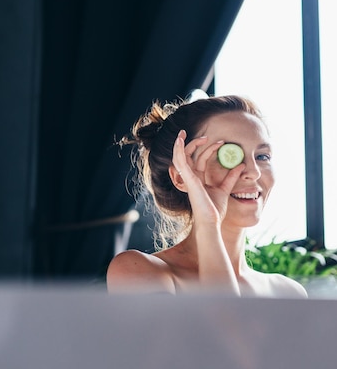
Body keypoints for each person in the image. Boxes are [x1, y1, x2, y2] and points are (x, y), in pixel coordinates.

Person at [107, 94, 307, 298]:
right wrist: (209, 224)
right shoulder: (138, 271)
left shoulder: (289, 292)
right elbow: (228, 326)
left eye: (262, 156)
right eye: (229, 156)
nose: (254, 172)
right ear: (181, 177)